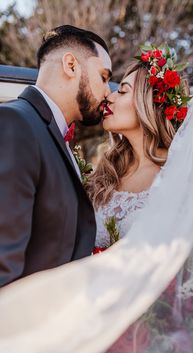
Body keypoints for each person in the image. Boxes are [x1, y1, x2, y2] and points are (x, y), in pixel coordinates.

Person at [0, 44, 193, 353]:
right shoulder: (102, 179)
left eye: (122, 90)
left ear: (147, 103)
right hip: (90, 334)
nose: (108, 96)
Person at [0, 25, 112, 287]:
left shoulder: (49, 134)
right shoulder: (15, 123)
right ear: (71, 65)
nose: (108, 92)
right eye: (104, 77)